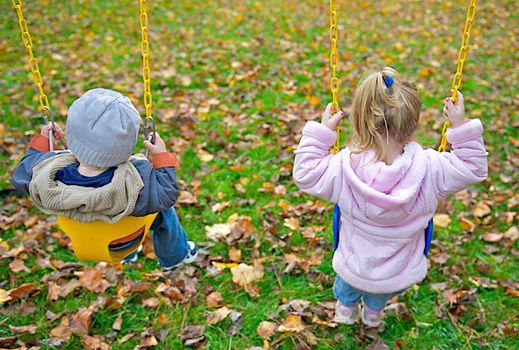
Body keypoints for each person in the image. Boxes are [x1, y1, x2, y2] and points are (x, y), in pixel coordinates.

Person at [293, 67, 488, 327]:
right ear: (412, 123)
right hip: (396, 272)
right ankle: (373, 316)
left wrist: (322, 133)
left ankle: (345, 311)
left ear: (359, 121)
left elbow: (304, 174)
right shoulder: (431, 168)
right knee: (378, 296)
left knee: (346, 290)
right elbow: (474, 168)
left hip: (354, 266)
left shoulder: (343, 168)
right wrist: (460, 127)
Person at [12, 88, 198, 269]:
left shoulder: (47, 173)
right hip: (125, 241)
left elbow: (23, 170)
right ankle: (174, 255)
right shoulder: (137, 181)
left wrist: (45, 142)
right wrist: (161, 156)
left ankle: (129, 257)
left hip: (85, 241)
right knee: (164, 211)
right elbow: (168, 192)